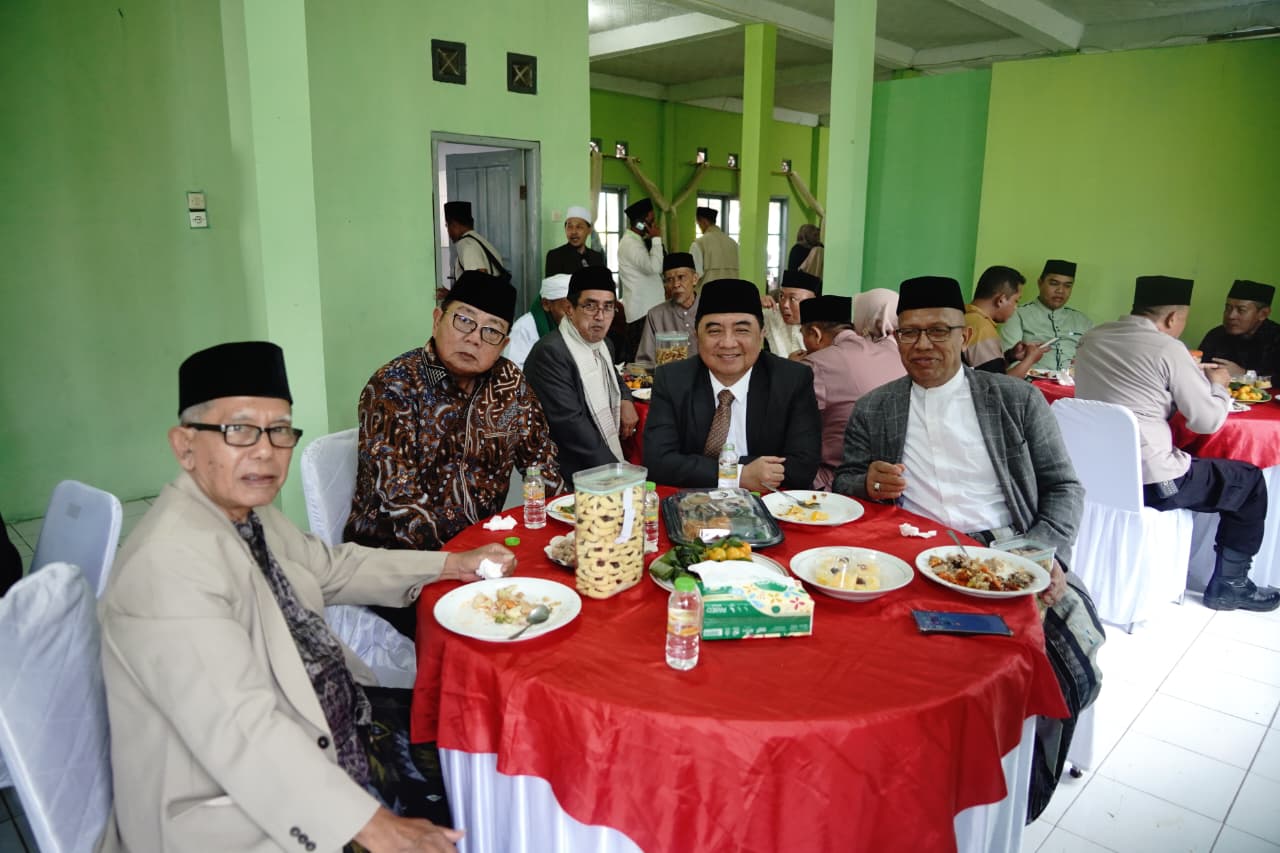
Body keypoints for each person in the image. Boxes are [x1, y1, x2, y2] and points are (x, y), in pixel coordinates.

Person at [97, 341, 517, 853]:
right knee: (477, 814)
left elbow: (333, 567)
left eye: (279, 430)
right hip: (241, 808)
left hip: (340, 727)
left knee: (488, 748)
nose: (265, 451)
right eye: (239, 430)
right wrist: (372, 826)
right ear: (184, 445)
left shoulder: (249, 514)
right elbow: (241, 730)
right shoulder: (167, 567)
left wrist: (449, 565)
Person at [832, 276, 1096, 821]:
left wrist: (1043, 553)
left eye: (938, 331)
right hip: (912, 551)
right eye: (909, 333)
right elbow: (846, 483)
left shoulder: (1014, 399)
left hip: (1009, 547)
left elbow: (1064, 487)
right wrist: (868, 484)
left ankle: (1019, 794)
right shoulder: (876, 407)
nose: (922, 345)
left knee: (1059, 655)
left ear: (964, 334)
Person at [345, 272, 561, 633]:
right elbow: (400, 501)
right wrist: (460, 561)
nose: (474, 338)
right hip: (398, 562)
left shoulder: (509, 384)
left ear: (504, 343)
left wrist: (558, 535)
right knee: (497, 629)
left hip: (482, 550)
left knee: (556, 601)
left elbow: (541, 462)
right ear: (437, 319)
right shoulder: (395, 386)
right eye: (464, 320)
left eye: (491, 331)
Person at [1075, 275, 1279, 612]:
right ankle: (1231, 585)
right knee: (1249, 481)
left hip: (1094, 473)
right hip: (1152, 482)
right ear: (1172, 318)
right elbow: (1206, 421)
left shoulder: (1093, 336)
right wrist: (1217, 385)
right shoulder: (1169, 349)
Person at [644, 278, 821, 492]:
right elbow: (658, 462)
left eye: (742, 330)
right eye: (714, 331)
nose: (728, 343)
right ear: (696, 335)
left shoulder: (792, 380)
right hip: (694, 502)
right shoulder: (672, 379)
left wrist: (697, 466)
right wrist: (739, 474)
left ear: (762, 334)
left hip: (770, 503)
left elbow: (802, 467)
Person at [523, 267, 639, 480]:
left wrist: (625, 398)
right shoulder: (551, 353)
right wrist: (617, 473)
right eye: (590, 306)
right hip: (565, 469)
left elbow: (613, 376)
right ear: (569, 308)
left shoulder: (604, 345)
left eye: (608, 307)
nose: (600, 317)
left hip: (596, 456)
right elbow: (572, 427)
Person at [801, 293, 906, 489]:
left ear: (815, 334)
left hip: (840, 480)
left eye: (803, 335)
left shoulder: (816, 365)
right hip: (897, 476)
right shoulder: (895, 352)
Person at [1000, 259, 1093, 371]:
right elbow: (1009, 361)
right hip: (1030, 380)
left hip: (1073, 381)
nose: (1060, 291)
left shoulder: (1083, 321)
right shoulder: (1018, 314)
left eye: (1067, 286)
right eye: (1054, 283)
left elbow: (1093, 359)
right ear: (1040, 283)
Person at [964, 265, 1048, 379]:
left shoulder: (966, 316)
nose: (1015, 307)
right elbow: (997, 383)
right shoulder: (981, 327)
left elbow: (985, 369)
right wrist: (1030, 359)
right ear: (1001, 300)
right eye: (1016, 301)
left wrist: (1010, 356)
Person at [1198, 279, 1280, 379]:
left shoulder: (1276, 337)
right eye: (1228, 308)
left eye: (1241, 310)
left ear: (1263, 314)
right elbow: (1199, 370)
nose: (1231, 316)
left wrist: (1245, 374)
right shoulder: (1216, 335)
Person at [617, 198, 666, 359]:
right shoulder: (630, 244)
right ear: (641, 222)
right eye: (652, 220)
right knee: (641, 361)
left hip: (647, 311)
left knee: (651, 358)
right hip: (641, 313)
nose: (654, 224)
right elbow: (654, 267)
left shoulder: (638, 241)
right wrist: (656, 239)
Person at [635, 252, 701, 366]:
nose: (675, 284)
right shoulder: (656, 315)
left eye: (681, 277)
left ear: (695, 279)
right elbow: (644, 362)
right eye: (669, 280)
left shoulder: (712, 311)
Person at [504, 273, 572, 370]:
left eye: (576, 308)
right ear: (546, 304)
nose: (573, 315)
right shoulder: (523, 328)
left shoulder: (577, 324)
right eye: (567, 309)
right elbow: (513, 370)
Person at [441, 200, 505, 301]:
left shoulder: (467, 245)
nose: (448, 232)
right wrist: (450, 294)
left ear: (454, 225)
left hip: (484, 306)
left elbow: (478, 283)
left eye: (447, 226)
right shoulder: (479, 241)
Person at [763, 269, 821, 359]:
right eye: (781, 296)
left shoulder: (824, 325)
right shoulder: (773, 312)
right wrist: (753, 304)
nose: (785, 305)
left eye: (793, 299)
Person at [544, 205, 605, 275]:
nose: (574, 232)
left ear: (589, 230)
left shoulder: (597, 257)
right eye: (570, 227)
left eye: (579, 227)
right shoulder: (555, 256)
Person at [689, 206, 739, 284]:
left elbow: (694, 276)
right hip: (733, 291)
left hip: (708, 291)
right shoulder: (734, 244)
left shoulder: (699, 244)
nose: (699, 227)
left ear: (703, 221)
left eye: (698, 223)